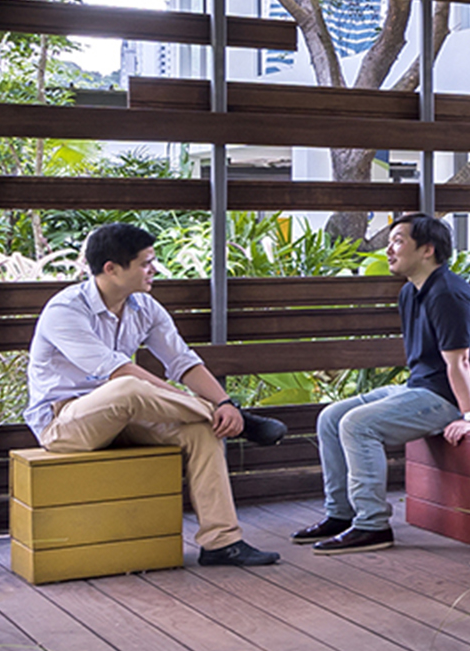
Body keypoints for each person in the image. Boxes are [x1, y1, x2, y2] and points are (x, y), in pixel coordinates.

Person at [25, 222, 283, 567]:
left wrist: (221, 403)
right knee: (128, 386)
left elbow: (182, 362)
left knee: (200, 431)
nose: (154, 269)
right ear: (111, 269)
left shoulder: (144, 307)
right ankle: (240, 420)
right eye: (145, 263)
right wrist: (216, 408)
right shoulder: (65, 311)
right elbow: (119, 371)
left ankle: (222, 543)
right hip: (64, 424)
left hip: (124, 417)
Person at [292, 212, 470, 554]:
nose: (389, 249)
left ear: (427, 250)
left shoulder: (448, 294)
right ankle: (341, 513)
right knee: (331, 417)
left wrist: (469, 418)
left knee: (357, 425)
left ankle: (372, 525)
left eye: (398, 240)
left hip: (457, 397)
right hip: (424, 387)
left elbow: (460, 362)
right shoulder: (411, 292)